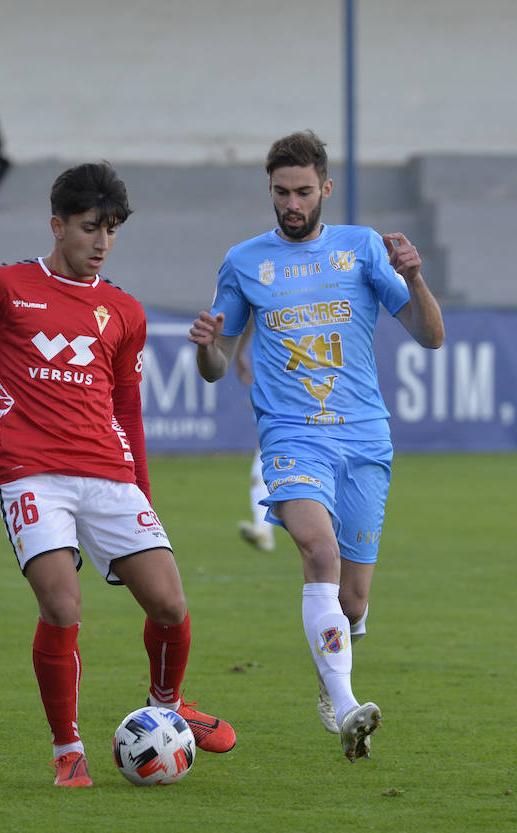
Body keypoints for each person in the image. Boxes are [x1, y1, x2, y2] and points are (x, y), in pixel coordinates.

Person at [0, 161, 236, 788]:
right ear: (57, 225)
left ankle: (168, 704)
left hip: (107, 472)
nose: (102, 243)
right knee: (62, 605)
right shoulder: (6, 287)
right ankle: (68, 749)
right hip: (29, 470)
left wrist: (141, 493)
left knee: (171, 604)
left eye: (112, 231)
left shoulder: (125, 310)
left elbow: (128, 411)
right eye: (90, 228)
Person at [189, 130, 444, 762]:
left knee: (353, 600)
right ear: (269, 191)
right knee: (317, 550)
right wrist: (206, 346)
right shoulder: (245, 261)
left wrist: (415, 279)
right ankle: (349, 705)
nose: (292, 203)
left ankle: (334, 683)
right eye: (281, 192)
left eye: (304, 191)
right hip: (291, 435)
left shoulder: (361, 248)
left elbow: (430, 335)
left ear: (325, 188)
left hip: (363, 437)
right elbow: (216, 367)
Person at [232, 322, 273, 552]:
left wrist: (238, 352)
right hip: (274, 374)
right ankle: (263, 527)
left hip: (292, 372)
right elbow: (249, 313)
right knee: (264, 449)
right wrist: (239, 352)